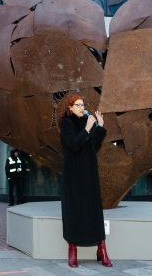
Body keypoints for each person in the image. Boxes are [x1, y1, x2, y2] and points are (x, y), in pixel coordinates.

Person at [57, 94, 112, 268]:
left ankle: (102, 249)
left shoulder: (84, 122)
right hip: (74, 176)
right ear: (70, 108)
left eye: (83, 105)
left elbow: (92, 147)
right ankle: (72, 250)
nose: (82, 108)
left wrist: (99, 128)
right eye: (78, 105)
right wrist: (88, 128)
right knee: (75, 211)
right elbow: (73, 145)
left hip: (89, 174)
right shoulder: (67, 123)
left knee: (94, 211)